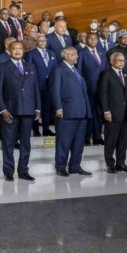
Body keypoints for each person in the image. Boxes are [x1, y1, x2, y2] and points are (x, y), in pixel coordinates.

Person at [0, 41, 40, 181]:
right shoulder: (2, 67)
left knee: (26, 144)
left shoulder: (30, 66)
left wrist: (37, 108)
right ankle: (8, 171)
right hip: (10, 111)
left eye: (20, 48)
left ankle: (23, 170)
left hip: (28, 110)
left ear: (24, 51)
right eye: (14, 48)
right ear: (9, 50)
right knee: (8, 143)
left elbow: (36, 89)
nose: (18, 51)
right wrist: (2, 109)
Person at [49, 47, 92, 177]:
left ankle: (75, 166)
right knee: (64, 142)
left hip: (82, 113)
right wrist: (58, 107)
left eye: (76, 55)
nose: (77, 57)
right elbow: (54, 90)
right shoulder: (58, 70)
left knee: (79, 144)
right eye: (74, 55)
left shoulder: (77, 71)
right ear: (66, 56)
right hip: (67, 113)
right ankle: (61, 167)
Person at [98, 52, 127, 174]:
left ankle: (121, 163)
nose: (122, 62)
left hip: (125, 114)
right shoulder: (106, 74)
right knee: (110, 141)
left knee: (123, 141)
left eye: (123, 60)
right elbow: (102, 94)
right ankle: (110, 164)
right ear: (112, 61)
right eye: (119, 60)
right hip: (112, 114)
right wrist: (106, 111)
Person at [76, 32, 108, 145]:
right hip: (88, 89)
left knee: (99, 112)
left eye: (95, 38)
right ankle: (86, 136)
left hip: (101, 89)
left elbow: (106, 70)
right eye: (90, 38)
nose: (93, 40)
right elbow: (78, 72)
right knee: (88, 113)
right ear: (86, 40)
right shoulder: (81, 53)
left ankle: (97, 136)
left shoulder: (102, 52)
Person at [25, 35, 56, 136]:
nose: (43, 42)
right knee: (36, 107)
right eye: (40, 40)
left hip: (49, 85)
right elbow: (28, 70)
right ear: (36, 42)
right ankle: (35, 129)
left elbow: (55, 69)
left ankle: (46, 128)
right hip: (36, 85)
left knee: (47, 108)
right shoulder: (31, 54)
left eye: (44, 40)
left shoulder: (52, 53)